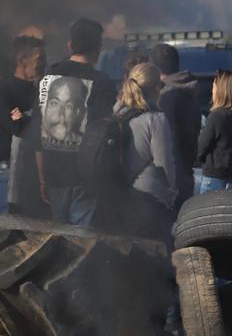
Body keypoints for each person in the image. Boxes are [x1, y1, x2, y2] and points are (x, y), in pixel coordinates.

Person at [34, 18, 116, 225]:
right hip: (86, 176)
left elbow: (37, 129)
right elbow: (108, 129)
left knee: (57, 237)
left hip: (53, 172)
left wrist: (42, 177)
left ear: (70, 45)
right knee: (82, 240)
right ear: (98, 48)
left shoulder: (49, 76)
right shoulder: (102, 81)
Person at [115, 62, 177, 242]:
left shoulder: (116, 112)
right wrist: (172, 193)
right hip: (149, 199)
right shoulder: (156, 119)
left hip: (120, 196)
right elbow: (164, 164)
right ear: (156, 87)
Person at [150, 44, 201, 209]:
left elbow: (164, 142)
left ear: (154, 68)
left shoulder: (164, 98)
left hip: (169, 179)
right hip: (186, 174)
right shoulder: (190, 94)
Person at [0, 36, 47, 217]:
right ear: (22, 61)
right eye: (39, 59)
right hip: (5, 176)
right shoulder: (4, 89)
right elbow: (16, 126)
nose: (44, 64)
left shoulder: (41, 90)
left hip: (32, 176)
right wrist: (40, 125)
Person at [196, 70, 232, 193]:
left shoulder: (216, 116)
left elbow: (201, 148)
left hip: (213, 179)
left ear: (221, 90)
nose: (212, 89)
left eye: (214, 85)